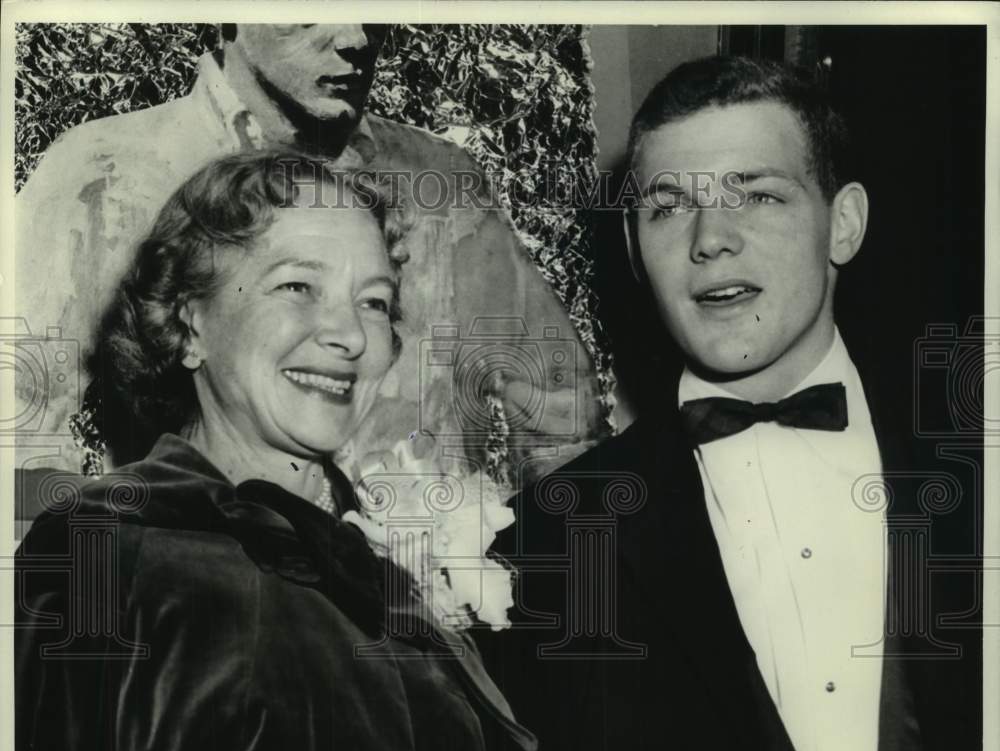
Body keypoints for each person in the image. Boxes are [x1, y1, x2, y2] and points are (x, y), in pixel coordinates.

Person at [480, 56, 981, 751]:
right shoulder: (541, 544)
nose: (710, 237)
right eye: (668, 206)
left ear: (843, 225)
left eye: (757, 196)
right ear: (632, 249)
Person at [15, 152, 536, 751]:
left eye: (374, 302)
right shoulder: (100, 554)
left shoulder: (391, 569)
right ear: (189, 323)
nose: (349, 334)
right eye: (297, 286)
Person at [15, 23, 603, 480]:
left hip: (415, 618)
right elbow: (17, 435)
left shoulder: (441, 180)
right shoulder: (101, 176)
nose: (354, 37)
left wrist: (558, 592)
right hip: (211, 611)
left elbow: (561, 407)